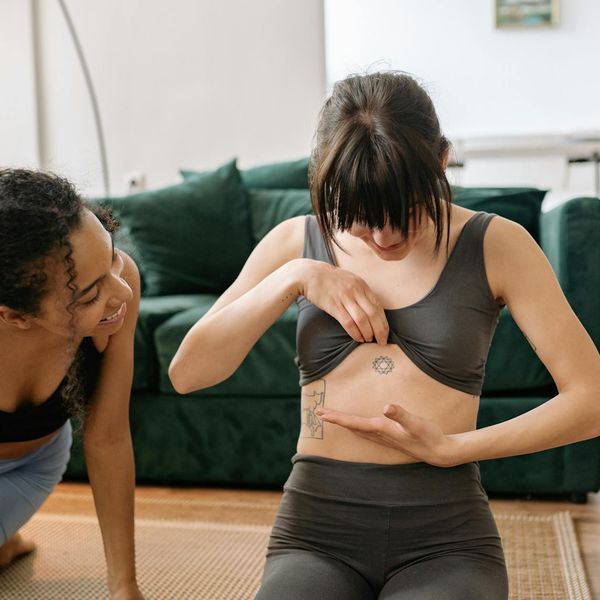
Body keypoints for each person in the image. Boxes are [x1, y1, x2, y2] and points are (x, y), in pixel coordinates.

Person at [168, 72, 600, 600]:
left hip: (446, 536)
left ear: (441, 162)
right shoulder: (296, 242)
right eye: (362, 218)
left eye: (405, 211)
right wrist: (294, 278)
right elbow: (188, 373)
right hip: (315, 530)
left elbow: (592, 398)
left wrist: (454, 447)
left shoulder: (497, 244)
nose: (385, 237)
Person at [0, 169, 144, 600]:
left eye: (113, 257)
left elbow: (109, 437)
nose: (120, 292)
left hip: (34, 464)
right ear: (14, 316)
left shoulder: (121, 288)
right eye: (89, 294)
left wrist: (125, 588)